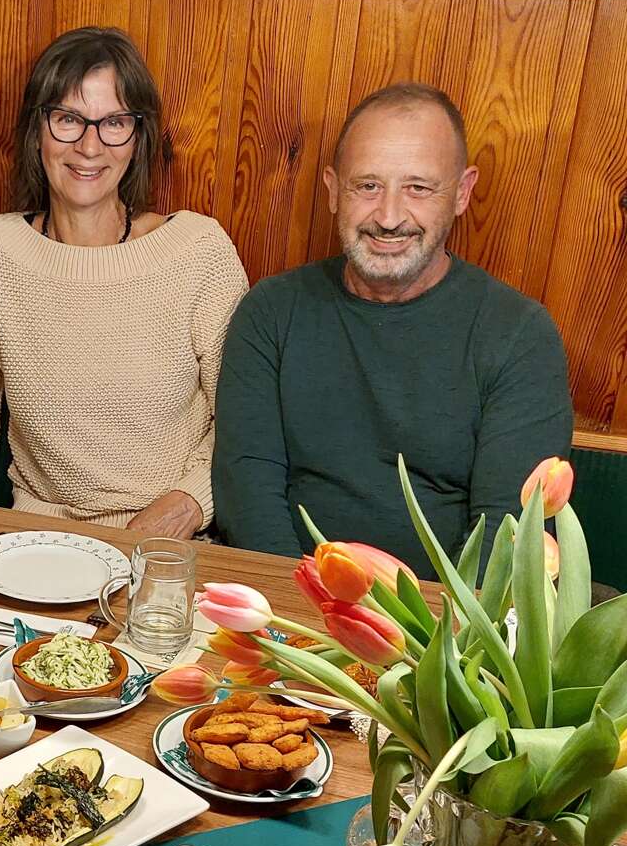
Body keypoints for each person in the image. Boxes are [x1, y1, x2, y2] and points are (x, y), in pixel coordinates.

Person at [212, 82, 572, 565]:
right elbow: (248, 493)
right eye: (367, 185)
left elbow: (507, 535)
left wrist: (430, 634)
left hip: (444, 625)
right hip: (289, 613)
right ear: (333, 189)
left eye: (418, 188)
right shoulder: (271, 311)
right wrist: (294, 620)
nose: (388, 216)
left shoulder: (519, 333)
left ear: (462, 193)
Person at [0, 27, 247, 533]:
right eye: (69, 119)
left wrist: (190, 502)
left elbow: (247, 424)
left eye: (114, 121)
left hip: (169, 542)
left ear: (138, 136)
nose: (90, 146)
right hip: (36, 541)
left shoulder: (198, 251)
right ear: (37, 129)